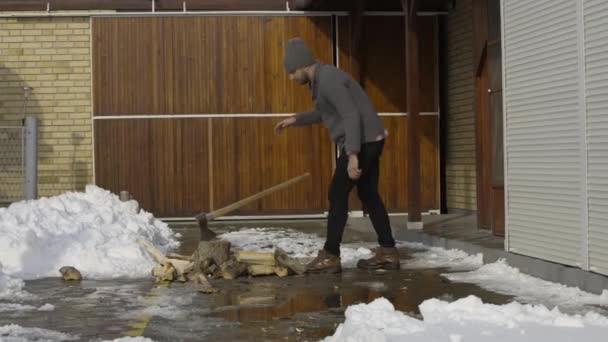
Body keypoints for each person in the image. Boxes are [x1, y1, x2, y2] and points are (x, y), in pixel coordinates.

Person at [274, 37, 400, 273]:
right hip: (369, 139)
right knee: (369, 194)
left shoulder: (329, 80)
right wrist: (294, 120)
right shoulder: (322, 79)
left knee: (337, 193)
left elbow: (351, 115)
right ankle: (388, 251)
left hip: (361, 142)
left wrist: (352, 154)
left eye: (291, 73)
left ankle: (331, 255)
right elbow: (324, 112)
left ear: (301, 66)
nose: (291, 78)